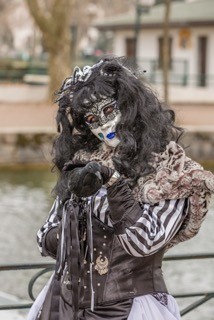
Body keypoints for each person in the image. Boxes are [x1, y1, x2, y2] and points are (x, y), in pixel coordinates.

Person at [30, 56, 214, 320]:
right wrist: (75, 228)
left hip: (129, 308)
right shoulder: (82, 163)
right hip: (63, 306)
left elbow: (143, 243)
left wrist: (113, 184)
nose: (103, 125)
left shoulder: (173, 173)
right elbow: (44, 238)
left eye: (108, 111)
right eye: (92, 119)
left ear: (130, 108)